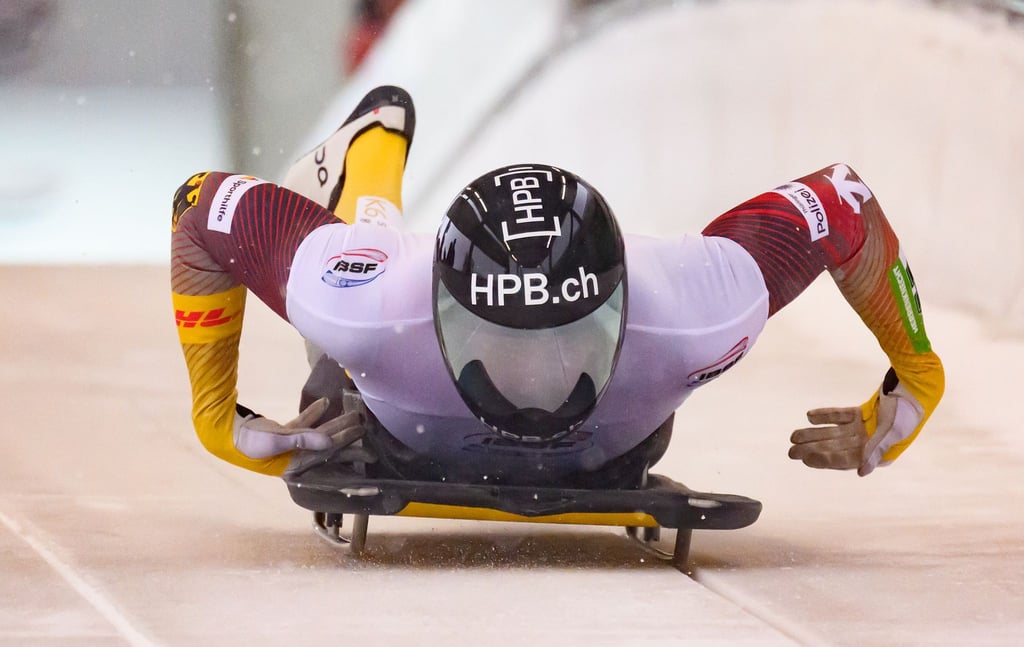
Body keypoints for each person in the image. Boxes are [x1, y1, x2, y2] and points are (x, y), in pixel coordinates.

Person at [171, 85, 944, 487]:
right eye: (501, 339)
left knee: (350, 315)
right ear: (440, 312)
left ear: (622, 307)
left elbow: (843, 200)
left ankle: (378, 144)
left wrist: (919, 377)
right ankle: (371, 150)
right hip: (461, 399)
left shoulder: (692, 309)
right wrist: (213, 417)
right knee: (362, 257)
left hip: (417, 423)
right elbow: (200, 207)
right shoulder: (366, 303)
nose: (535, 380)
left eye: (570, 336)